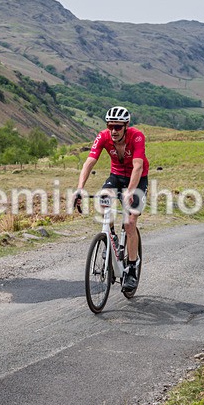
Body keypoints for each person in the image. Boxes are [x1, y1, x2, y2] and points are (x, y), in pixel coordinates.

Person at [74, 106, 149, 291]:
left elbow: (138, 166)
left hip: (137, 179)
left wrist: (130, 191)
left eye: (117, 127)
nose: (113, 130)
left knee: (130, 223)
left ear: (126, 126)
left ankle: (131, 268)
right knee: (102, 198)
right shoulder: (103, 136)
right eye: (110, 126)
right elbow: (89, 162)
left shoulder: (137, 136)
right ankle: (112, 236)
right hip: (116, 175)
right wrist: (80, 188)